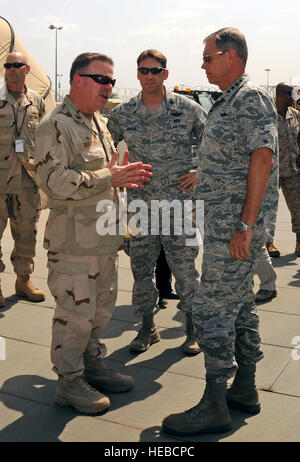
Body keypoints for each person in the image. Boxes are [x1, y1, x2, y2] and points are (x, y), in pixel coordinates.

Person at [162, 27, 278, 436]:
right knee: (242, 307)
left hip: (234, 230)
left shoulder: (249, 99)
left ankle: (214, 402)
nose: (203, 64)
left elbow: (262, 161)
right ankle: (244, 388)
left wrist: (246, 227)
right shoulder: (228, 101)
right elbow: (236, 158)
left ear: (230, 56)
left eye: (208, 58)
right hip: (227, 225)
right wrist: (204, 172)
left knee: (211, 309)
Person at [34, 52, 152, 414]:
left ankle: (92, 365)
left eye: (112, 81)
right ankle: (69, 383)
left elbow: (105, 179)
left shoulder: (96, 122)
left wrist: (118, 182)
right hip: (74, 247)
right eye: (103, 79)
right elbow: (53, 183)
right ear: (78, 80)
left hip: (102, 242)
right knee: (74, 316)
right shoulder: (55, 125)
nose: (110, 87)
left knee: (100, 312)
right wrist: (109, 177)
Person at [108, 49, 206, 355]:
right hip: (140, 209)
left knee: (187, 272)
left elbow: (213, 144)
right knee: (141, 273)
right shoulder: (122, 113)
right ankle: (147, 329)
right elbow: (101, 148)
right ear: (137, 74)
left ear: (166, 73)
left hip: (179, 208)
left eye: (155, 70)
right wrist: (111, 172)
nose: (149, 76)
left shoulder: (187, 109)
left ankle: (192, 330)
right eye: (143, 70)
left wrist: (198, 171)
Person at [0, 52, 46, 307]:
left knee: (27, 233)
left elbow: (44, 139)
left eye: (17, 65)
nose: (12, 69)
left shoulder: (36, 100)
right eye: (8, 66)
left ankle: (23, 280)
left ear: (27, 69)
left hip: (27, 181)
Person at [275, 83, 300, 257]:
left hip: (293, 171)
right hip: (271, 172)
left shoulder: (296, 115)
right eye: (289, 94)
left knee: (298, 208)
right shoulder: (266, 115)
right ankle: (268, 243)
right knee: (267, 209)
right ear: (279, 95)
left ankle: (299, 243)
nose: (293, 98)